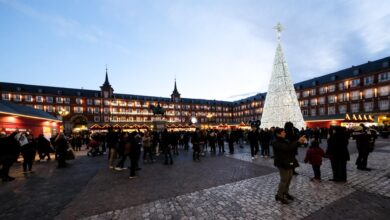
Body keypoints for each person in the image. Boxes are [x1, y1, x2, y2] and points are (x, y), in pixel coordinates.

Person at [273, 127, 306, 204]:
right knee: (284, 179)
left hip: (289, 162)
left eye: (284, 132)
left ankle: (285, 192)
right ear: (278, 134)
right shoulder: (276, 142)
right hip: (282, 163)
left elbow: (291, 148)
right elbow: (287, 148)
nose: (285, 133)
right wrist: (297, 142)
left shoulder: (285, 140)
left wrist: (299, 142)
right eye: (283, 132)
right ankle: (279, 195)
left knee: (289, 177)